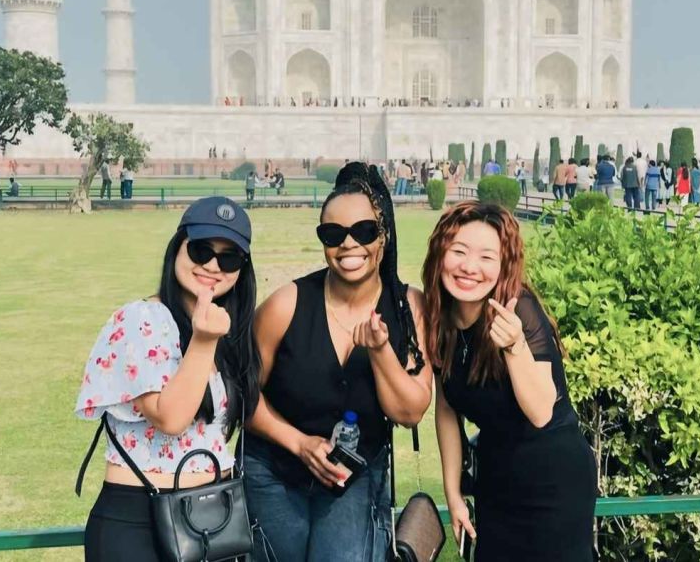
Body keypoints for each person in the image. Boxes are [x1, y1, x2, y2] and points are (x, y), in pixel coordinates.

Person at [243, 163, 432, 562]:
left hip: (356, 473)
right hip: (274, 468)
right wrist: (299, 443)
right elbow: (242, 396)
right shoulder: (286, 305)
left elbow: (411, 411)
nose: (348, 244)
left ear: (383, 235)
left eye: (363, 231)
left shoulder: (408, 309)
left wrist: (381, 352)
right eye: (333, 234)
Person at [75, 197, 261, 561]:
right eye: (200, 250)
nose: (212, 265)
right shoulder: (141, 319)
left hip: (216, 520)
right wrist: (203, 340)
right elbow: (171, 417)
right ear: (177, 248)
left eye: (229, 259)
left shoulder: (231, 330)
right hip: (139, 520)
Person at [423, 201, 597, 562]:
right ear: (440, 254)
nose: (469, 267)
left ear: (503, 266)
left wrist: (515, 347)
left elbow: (541, 412)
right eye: (459, 251)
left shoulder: (520, 311)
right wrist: (453, 493)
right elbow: (447, 409)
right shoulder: (440, 319)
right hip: (496, 480)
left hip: (553, 482)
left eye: (487, 257)